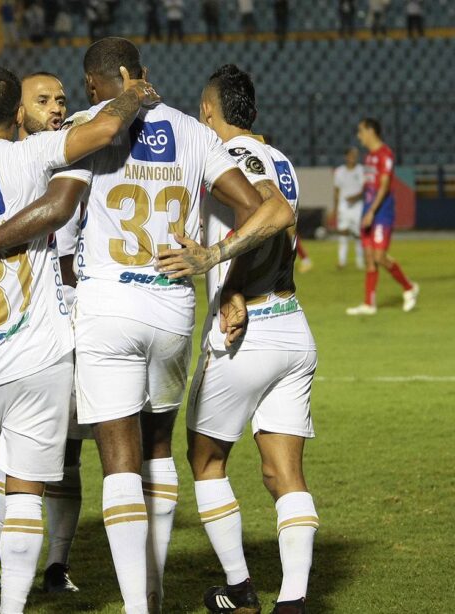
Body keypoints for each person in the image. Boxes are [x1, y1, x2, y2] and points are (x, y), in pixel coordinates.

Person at [0, 38, 296, 614]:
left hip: (108, 306)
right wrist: (214, 255)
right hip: (173, 309)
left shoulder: (90, 125)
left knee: (118, 462)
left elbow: (58, 207)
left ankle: (139, 605)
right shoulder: (194, 131)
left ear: (89, 86)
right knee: (158, 451)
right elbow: (271, 210)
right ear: (144, 74)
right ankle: (151, 591)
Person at [0, 64, 160, 614]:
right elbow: (100, 137)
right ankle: (13, 606)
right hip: (41, 350)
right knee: (28, 486)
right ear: (15, 115)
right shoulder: (35, 155)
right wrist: (129, 96)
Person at [158, 63, 318, 614]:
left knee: (204, 461)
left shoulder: (233, 157)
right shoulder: (280, 156)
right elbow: (282, 220)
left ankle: (242, 590)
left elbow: (274, 209)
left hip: (245, 331)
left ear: (208, 112)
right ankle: (293, 602)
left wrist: (218, 263)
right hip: (292, 322)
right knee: (283, 472)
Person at [0, 71, 86, 595]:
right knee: (10, 453)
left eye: (61, 99)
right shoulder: (0, 165)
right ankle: (9, 556)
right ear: (17, 112)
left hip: (71, 319)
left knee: (67, 453)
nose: (55, 107)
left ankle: (56, 563)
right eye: (42, 100)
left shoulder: (74, 159)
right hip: (11, 325)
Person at [347, 118, 418, 315]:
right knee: (370, 258)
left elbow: (385, 186)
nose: (359, 135)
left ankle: (409, 287)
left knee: (379, 256)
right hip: (368, 212)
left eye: (361, 131)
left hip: (381, 214)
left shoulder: (385, 154)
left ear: (371, 131)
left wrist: (371, 212)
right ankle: (369, 304)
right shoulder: (369, 157)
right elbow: (370, 186)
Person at [332, 146, 365, 269]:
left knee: (358, 234)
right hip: (343, 206)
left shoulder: (361, 170)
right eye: (351, 155)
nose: (353, 157)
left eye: (355, 155)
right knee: (343, 233)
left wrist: (355, 197)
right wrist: (335, 208)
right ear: (346, 156)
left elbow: (364, 189)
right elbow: (336, 190)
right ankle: (342, 261)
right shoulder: (340, 171)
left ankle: (360, 261)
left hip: (357, 206)